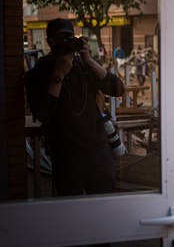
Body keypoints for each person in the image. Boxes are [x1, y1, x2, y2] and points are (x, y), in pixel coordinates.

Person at [25, 18, 125, 197]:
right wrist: (59, 73)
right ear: (49, 42)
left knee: (105, 209)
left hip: (98, 152)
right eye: (59, 39)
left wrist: (90, 61)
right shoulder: (38, 73)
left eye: (68, 38)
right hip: (67, 157)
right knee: (70, 214)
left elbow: (118, 89)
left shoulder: (84, 66)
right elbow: (43, 114)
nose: (64, 43)